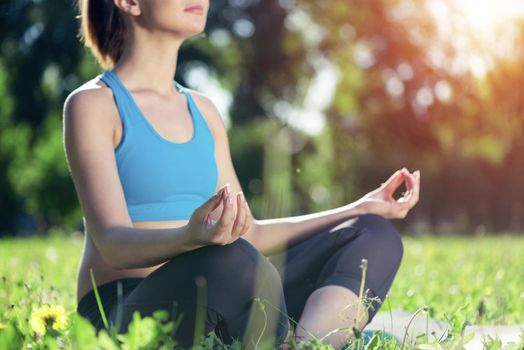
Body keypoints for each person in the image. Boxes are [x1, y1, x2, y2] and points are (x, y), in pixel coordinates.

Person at [63, 0, 420, 348]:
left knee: (372, 234)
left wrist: (358, 208)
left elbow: (250, 233)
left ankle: (306, 344)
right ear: (129, 2)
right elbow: (112, 244)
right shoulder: (93, 105)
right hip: (127, 308)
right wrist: (190, 237)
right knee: (232, 259)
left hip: (229, 281)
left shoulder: (203, 111)